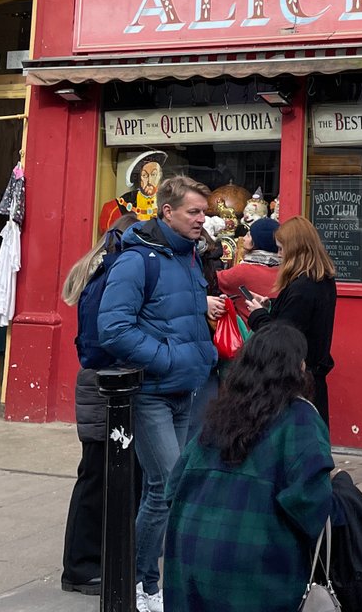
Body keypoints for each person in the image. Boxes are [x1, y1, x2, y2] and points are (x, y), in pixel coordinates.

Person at [98, 175, 223, 612]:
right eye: (194, 211)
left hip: (186, 390)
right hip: (152, 392)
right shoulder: (137, 261)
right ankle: (137, 580)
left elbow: (184, 317)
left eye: (204, 212)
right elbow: (113, 328)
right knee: (165, 486)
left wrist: (202, 356)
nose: (202, 219)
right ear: (167, 211)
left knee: (172, 487)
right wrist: (167, 358)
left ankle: (153, 580)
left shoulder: (189, 257)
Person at [163, 323, 334, 612]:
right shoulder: (299, 418)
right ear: (295, 368)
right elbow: (310, 502)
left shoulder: (219, 414)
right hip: (258, 568)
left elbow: (172, 488)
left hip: (191, 558)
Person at [59, 213, 143, 597]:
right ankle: (79, 568)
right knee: (95, 478)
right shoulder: (109, 275)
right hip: (104, 386)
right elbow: (98, 344)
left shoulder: (101, 269)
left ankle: (95, 560)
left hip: (102, 383)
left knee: (105, 477)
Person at [244, 217, 337, 423]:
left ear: (295, 249)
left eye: (281, 248)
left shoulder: (302, 287)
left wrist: (258, 314)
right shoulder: (322, 279)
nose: (279, 254)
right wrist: (270, 305)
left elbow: (281, 340)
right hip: (312, 377)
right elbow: (299, 319)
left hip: (295, 380)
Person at [215, 216, 281, 321]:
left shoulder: (243, 271)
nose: (244, 238)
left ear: (254, 243)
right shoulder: (285, 270)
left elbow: (214, 279)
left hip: (249, 328)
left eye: (248, 235)